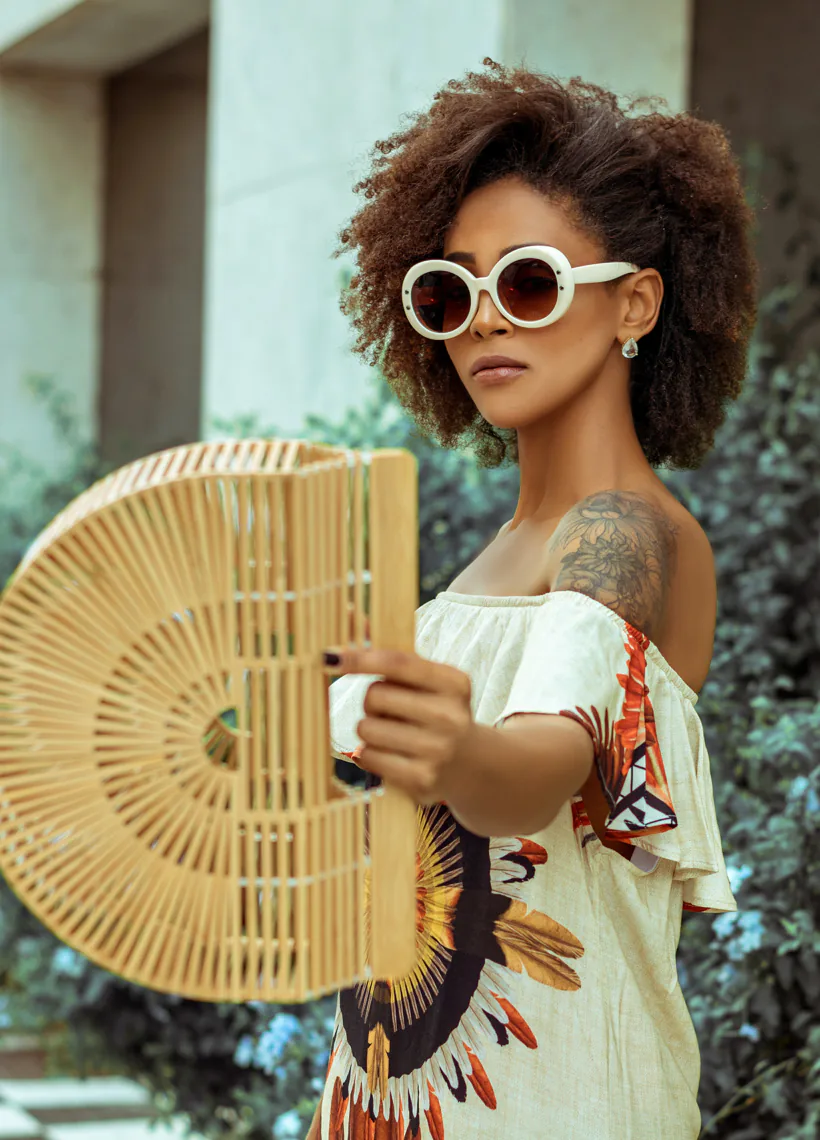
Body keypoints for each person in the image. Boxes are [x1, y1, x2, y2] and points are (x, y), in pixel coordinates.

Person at [308, 58, 757, 1139]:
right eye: (447, 291)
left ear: (635, 302)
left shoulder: (623, 535)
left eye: (526, 282)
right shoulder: (490, 561)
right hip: (396, 1091)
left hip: (555, 1103)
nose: (480, 324)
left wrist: (452, 748)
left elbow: (539, 769)